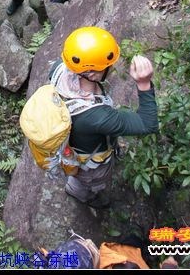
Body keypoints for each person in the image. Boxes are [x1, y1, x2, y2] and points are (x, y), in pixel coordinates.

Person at [50, 27, 158, 208]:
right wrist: (144, 83)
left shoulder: (59, 70)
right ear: (92, 74)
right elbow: (148, 124)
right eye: (107, 65)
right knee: (91, 181)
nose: (112, 67)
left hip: (73, 143)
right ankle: (81, 193)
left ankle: (76, 184)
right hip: (90, 164)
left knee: (76, 171)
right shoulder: (98, 117)